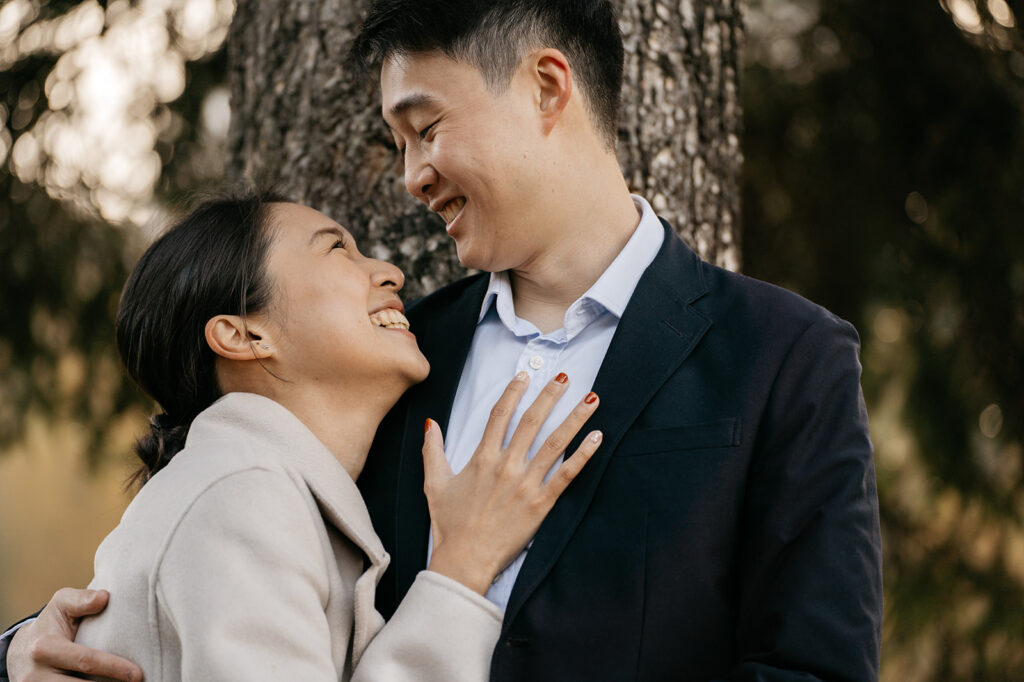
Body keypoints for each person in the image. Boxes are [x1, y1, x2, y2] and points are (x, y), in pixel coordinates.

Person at [3, 1, 884, 679]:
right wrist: (22, 649)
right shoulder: (383, 364)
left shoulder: (785, 357)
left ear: (546, 86)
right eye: (397, 142)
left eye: (426, 129)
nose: (413, 176)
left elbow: (814, 666)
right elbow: (195, 551)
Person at [0, 192, 604, 681]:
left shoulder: (256, 489)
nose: (390, 272)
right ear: (244, 335)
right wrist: (460, 572)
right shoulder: (239, 494)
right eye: (337, 249)